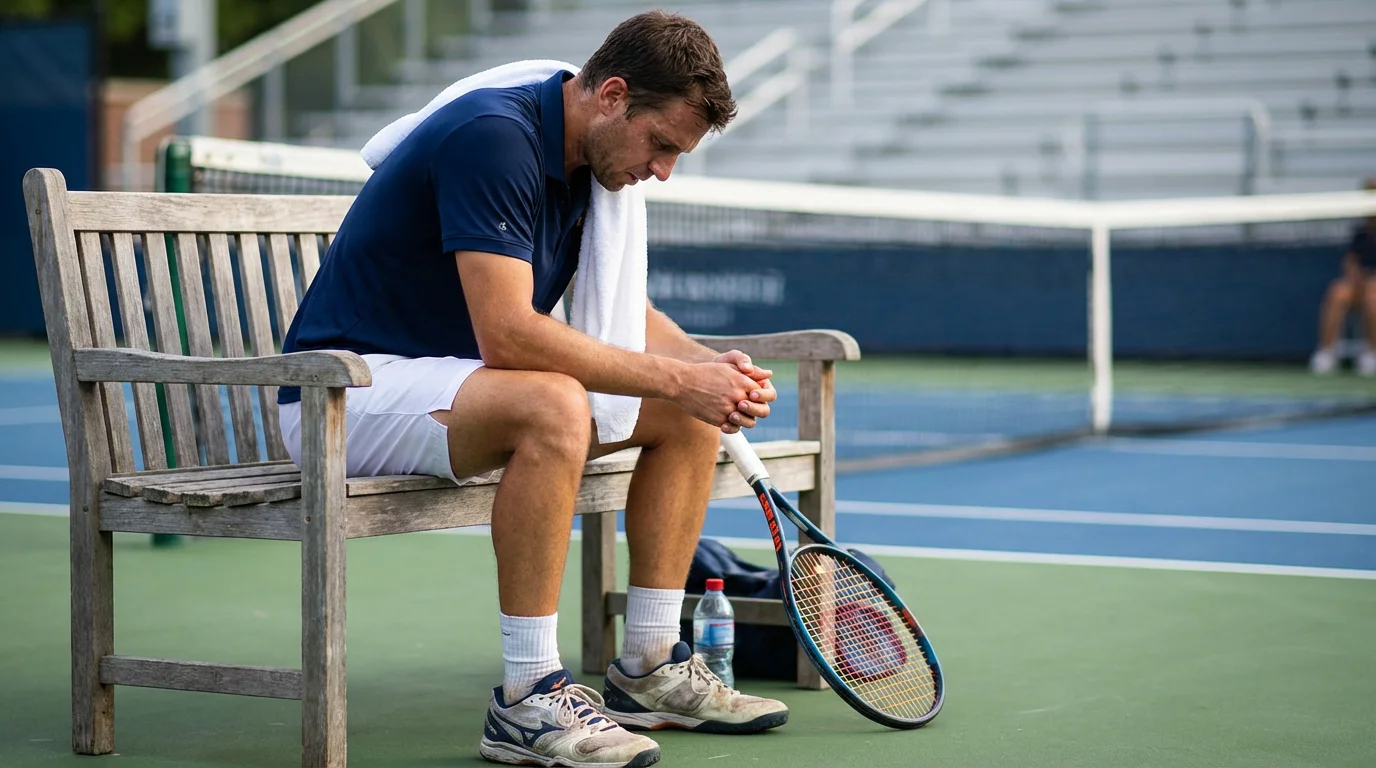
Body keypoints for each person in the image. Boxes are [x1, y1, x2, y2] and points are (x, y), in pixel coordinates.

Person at [275, 11, 789, 768]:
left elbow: (626, 316)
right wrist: (683, 377)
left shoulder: (587, 164)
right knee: (553, 403)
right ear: (612, 95)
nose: (663, 171)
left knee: (682, 414)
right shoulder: (494, 137)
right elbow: (509, 335)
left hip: (454, 390)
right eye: (662, 146)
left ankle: (648, 664)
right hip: (344, 392)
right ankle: (526, 697)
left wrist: (711, 373)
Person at [1310, 177, 1376, 376]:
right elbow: (1351, 262)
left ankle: (1371, 353)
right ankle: (1326, 353)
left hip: (1372, 287)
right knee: (1338, 292)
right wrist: (1358, 279)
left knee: (1373, 296)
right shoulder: (1360, 233)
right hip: (1360, 284)